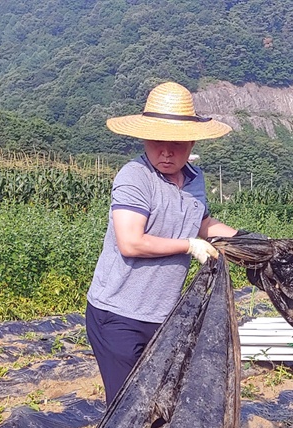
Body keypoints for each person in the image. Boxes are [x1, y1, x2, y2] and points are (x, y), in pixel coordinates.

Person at [86, 81, 237, 405]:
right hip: (118, 315)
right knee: (129, 408)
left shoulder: (195, 180)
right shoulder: (135, 177)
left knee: (160, 404)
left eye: (177, 144)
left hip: (161, 316)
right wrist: (188, 246)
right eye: (157, 141)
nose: (166, 152)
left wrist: (246, 243)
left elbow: (202, 224)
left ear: (192, 140)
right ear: (144, 138)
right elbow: (131, 242)